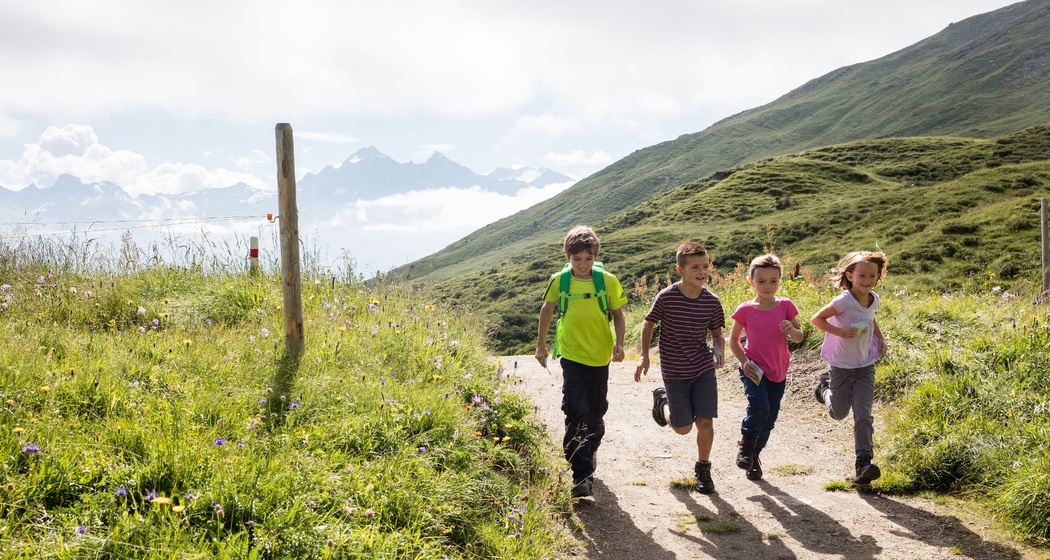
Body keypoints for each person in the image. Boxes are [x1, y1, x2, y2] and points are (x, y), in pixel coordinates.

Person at [536, 226, 627, 499]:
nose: (583, 265)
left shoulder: (607, 281)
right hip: (572, 355)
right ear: (567, 256)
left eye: (588, 259)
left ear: (595, 256)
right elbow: (547, 310)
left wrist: (619, 343)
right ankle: (582, 475)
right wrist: (541, 345)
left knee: (595, 414)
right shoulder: (559, 281)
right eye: (577, 259)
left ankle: (589, 448)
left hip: (600, 357)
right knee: (576, 411)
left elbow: (618, 314)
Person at [635, 241, 725, 494]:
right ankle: (662, 403)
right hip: (674, 370)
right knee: (682, 428)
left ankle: (703, 469)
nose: (702, 271)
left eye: (706, 266)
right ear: (680, 270)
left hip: (702, 368)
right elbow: (648, 324)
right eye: (695, 266)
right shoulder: (666, 297)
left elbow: (717, 334)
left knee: (705, 422)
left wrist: (719, 352)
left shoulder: (712, 301)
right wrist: (644, 356)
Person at [810, 250, 889, 485]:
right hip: (842, 365)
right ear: (850, 275)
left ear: (878, 277)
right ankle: (824, 389)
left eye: (872, 276)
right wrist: (839, 332)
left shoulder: (873, 298)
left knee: (863, 415)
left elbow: (871, 318)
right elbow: (817, 319)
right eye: (862, 275)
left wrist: (881, 339)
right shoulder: (844, 300)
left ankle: (863, 463)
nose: (867, 280)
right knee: (839, 413)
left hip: (865, 364)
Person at [728, 254, 804, 481]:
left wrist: (791, 329)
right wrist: (744, 362)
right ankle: (746, 444)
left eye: (773, 281)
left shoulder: (786, 306)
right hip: (753, 368)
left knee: (770, 417)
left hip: (778, 370)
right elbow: (733, 341)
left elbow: (799, 338)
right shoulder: (745, 310)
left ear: (780, 280)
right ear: (751, 281)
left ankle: (754, 456)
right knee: (759, 407)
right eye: (761, 281)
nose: (767, 286)